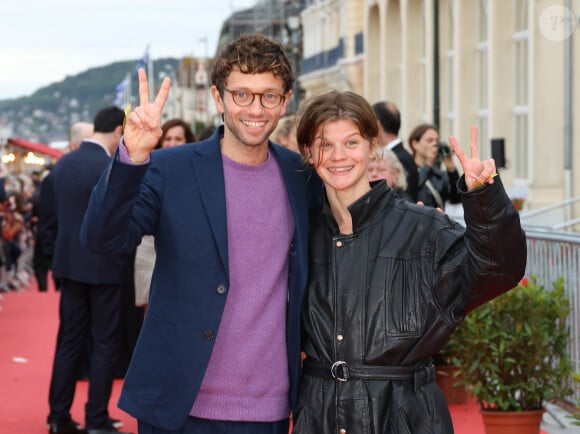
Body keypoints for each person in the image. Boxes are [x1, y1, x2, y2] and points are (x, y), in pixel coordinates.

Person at [81, 33, 321, 433]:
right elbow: (102, 241)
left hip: (269, 410)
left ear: (286, 99)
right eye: (242, 95)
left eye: (269, 96)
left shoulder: (302, 178)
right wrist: (131, 157)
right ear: (218, 97)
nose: (255, 109)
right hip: (178, 404)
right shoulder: (168, 168)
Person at [291, 90, 526, 434]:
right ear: (310, 154)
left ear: (373, 148)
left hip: (405, 418)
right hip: (319, 415)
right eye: (325, 144)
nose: (339, 156)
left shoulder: (422, 228)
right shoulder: (299, 236)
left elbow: (497, 271)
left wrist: (484, 197)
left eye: (352, 142)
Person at [39, 106, 133, 434]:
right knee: (104, 342)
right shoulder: (110, 166)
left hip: (69, 266)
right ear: (118, 131)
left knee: (69, 341)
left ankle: (57, 416)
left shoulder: (63, 164)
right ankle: (96, 418)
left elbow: (46, 221)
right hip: (106, 265)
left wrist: (55, 261)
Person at [133, 118, 194, 311]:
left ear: (187, 141)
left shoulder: (197, 173)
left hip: (185, 247)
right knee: (150, 307)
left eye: (178, 138)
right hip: (149, 246)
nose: (172, 143)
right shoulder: (149, 169)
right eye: (168, 138)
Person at [372, 101, 419, 201]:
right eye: (370, 170)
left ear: (377, 124)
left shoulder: (400, 159)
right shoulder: (402, 155)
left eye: (381, 169)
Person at [409, 123, 460, 210]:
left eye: (436, 141)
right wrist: (428, 164)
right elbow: (411, 190)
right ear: (415, 144)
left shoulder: (439, 174)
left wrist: (451, 168)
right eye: (429, 141)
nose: (434, 144)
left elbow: (456, 199)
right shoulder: (406, 169)